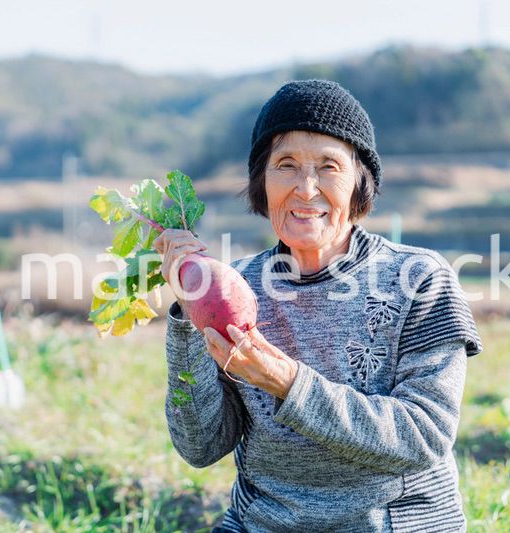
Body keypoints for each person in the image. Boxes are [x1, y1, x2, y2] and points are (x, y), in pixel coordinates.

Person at [153, 79, 483, 532]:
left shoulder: (420, 279)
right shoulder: (238, 286)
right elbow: (200, 445)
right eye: (285, 165)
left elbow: (423, 435)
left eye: (329, 166)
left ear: (358, 184)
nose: (306, 189)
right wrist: (191, 312)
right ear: (262, 182)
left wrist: (289, 384)